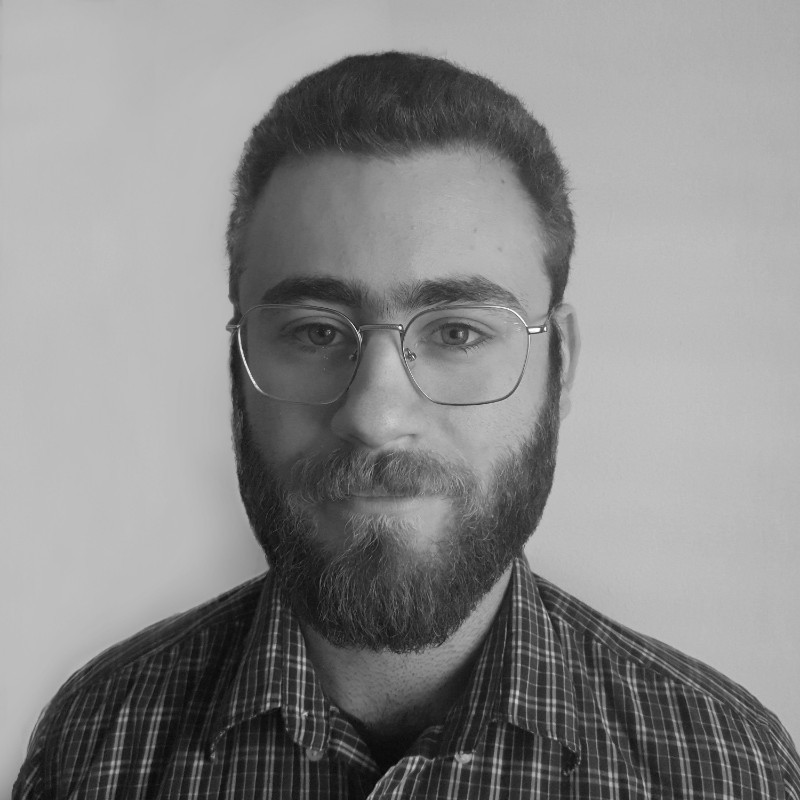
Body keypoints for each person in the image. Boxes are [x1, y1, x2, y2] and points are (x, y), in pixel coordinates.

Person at [13, 51, 799, 800]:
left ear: (558, 365)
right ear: (236, 366)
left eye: (457, 332)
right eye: (315, 331)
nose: (375, 415)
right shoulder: (93, 745)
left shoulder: (732, 770)